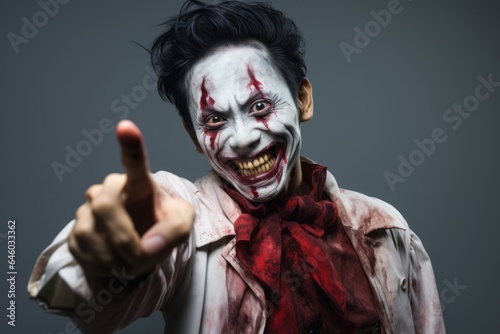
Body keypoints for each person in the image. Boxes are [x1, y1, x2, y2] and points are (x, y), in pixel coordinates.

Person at [28, 1, 445, 333]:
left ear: (303, 100)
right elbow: (76, 299)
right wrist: (106, 263)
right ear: (195, 138)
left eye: (260, 106)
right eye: (214, 119)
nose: (242, 138)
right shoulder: (179, 219)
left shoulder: (385, 229)